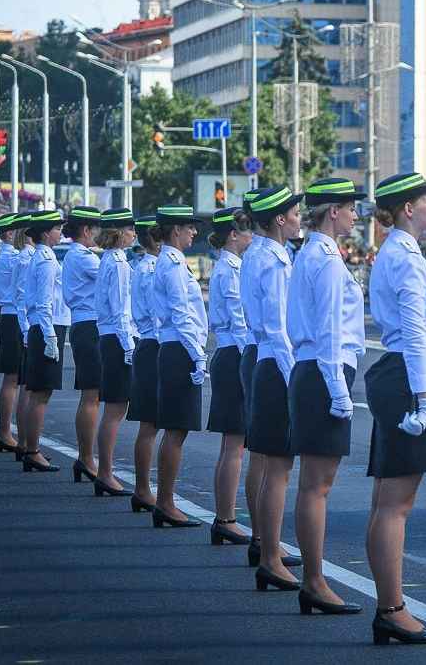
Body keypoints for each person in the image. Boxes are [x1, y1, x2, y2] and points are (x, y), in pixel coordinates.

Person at [364, 172, 426, 645]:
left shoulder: (402, 252)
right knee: (395, 505)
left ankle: (389, 607)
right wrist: (425, 397)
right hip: (406, 380)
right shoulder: (401, 255)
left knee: (389, 502)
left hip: (402, 376)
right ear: (406, 210)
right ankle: (392, 609)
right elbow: (415, 332)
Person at [287, 178, 367, 615]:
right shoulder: (329, 260)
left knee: (312, 486)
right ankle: (315, 581)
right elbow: (330, 332)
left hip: (312, 370)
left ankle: (313, 579)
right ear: (332, 211)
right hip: (323, 372)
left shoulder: (310, 254)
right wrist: (339, 391)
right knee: (317, 487)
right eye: (351, 207)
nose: (355, 215)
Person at [242, 185, 304, 590]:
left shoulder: (255, 252)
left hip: (261, 359)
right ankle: (269, 555)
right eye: (295, 212)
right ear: (279, 219)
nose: (300, 217)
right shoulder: (275, 260)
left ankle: (267, 546)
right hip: (276, 363)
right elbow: (280, 327)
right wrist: (292, 377)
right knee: (278, 468)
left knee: (268, 464)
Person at [151, 204, 208, 528]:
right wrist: (196, 353)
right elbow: (181, 313)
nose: (194, 232)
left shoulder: (173, 262)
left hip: (178, 346)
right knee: (175, 429)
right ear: (175, 230)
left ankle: (165, 500)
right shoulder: (171, 265)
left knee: (178, 430)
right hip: (178, 348)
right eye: (189, 227)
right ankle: (166, 502)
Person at [206, 207, 253, 546]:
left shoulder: (228, 266)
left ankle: (225, 516)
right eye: (247, 231)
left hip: (229, 353)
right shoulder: (230, 269)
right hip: (234, 353)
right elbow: (240, 322)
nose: (252, 236)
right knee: (234, 444)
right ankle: (226, 517)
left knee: (233, 444)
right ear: (233, 235)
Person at [21, 210, 72, 473]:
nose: (60, 232)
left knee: (40, 393)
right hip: (46, 328)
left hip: (44, 328)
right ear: (45, 233)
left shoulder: (43, 257)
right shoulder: (46, 260)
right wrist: (50, 335)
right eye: (56, 228)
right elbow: (43, 302)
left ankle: (31, 448)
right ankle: (32, 450)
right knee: (41, 393)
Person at [92, 208, 138, 497]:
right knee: (115, 409)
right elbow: (121, 310)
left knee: (114, 409)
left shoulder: (109, 259)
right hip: (117, 338)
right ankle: (106, 473)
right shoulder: (119, 263)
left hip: (109, 336)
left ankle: (104, 471)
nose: (135, 233)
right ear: (119, 232)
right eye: (130, 228)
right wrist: (130, 347)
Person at [62, 206, 103, 485]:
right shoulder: (84, 258)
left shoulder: (78, 255)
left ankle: (86, 457)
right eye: (98, 229)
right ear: (87, 230)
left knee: (92, 395)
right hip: (89, 326)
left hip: (84, 325)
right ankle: (87, 458)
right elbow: (112, 280)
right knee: (92, 395)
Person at [127, 215, 162, 513]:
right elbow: (158, 313)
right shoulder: (150, 269)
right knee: (150, 424)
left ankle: (144, 488)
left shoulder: (145, 266)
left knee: (151, 424)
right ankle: (142, 488)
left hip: (149, 343)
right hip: (153, 344)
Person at [0, 213, 21, 454]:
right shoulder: (12, 257)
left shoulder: (8, 255)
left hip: (10, 316)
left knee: (15, 379)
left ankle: (8, 433)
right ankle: (5, 433)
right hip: (13, 317)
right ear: (10, 233)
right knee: (12, 378)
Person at [10, 212, 37, 462]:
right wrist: (28, 330)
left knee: (27, 388)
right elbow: (22, 298)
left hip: (26, 325)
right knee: (30, 389)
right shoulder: (28, 258)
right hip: (29, 326)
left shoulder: (26, 256)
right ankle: (26, 443)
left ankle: (24, 442)